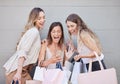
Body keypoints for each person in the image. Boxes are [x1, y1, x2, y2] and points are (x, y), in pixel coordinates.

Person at [3, 7, 45, 84]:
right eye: (39, 18)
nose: (43, 20)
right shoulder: (34, 32)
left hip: (24, 71)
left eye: (43, 17)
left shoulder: (35, 32)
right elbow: (23, 52)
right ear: (34, 19)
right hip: (17, 71)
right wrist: (18, 73)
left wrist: (41, 43)